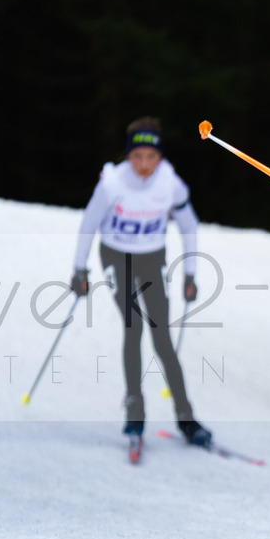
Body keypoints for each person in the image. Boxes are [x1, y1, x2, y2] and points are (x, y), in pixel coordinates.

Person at [71, 116, 212, 447]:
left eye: (151, 157)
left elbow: (189, 225)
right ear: (128, 156)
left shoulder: (170, 183)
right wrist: (79, 270)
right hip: (116, 257)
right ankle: (135, 411)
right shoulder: (112, 183)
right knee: (133, 327)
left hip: (151, 258)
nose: (144, 165)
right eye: (137, 157)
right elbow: (89, 223)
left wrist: (190, 274)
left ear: (160, 157)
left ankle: (187, 419)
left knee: (162, 335)